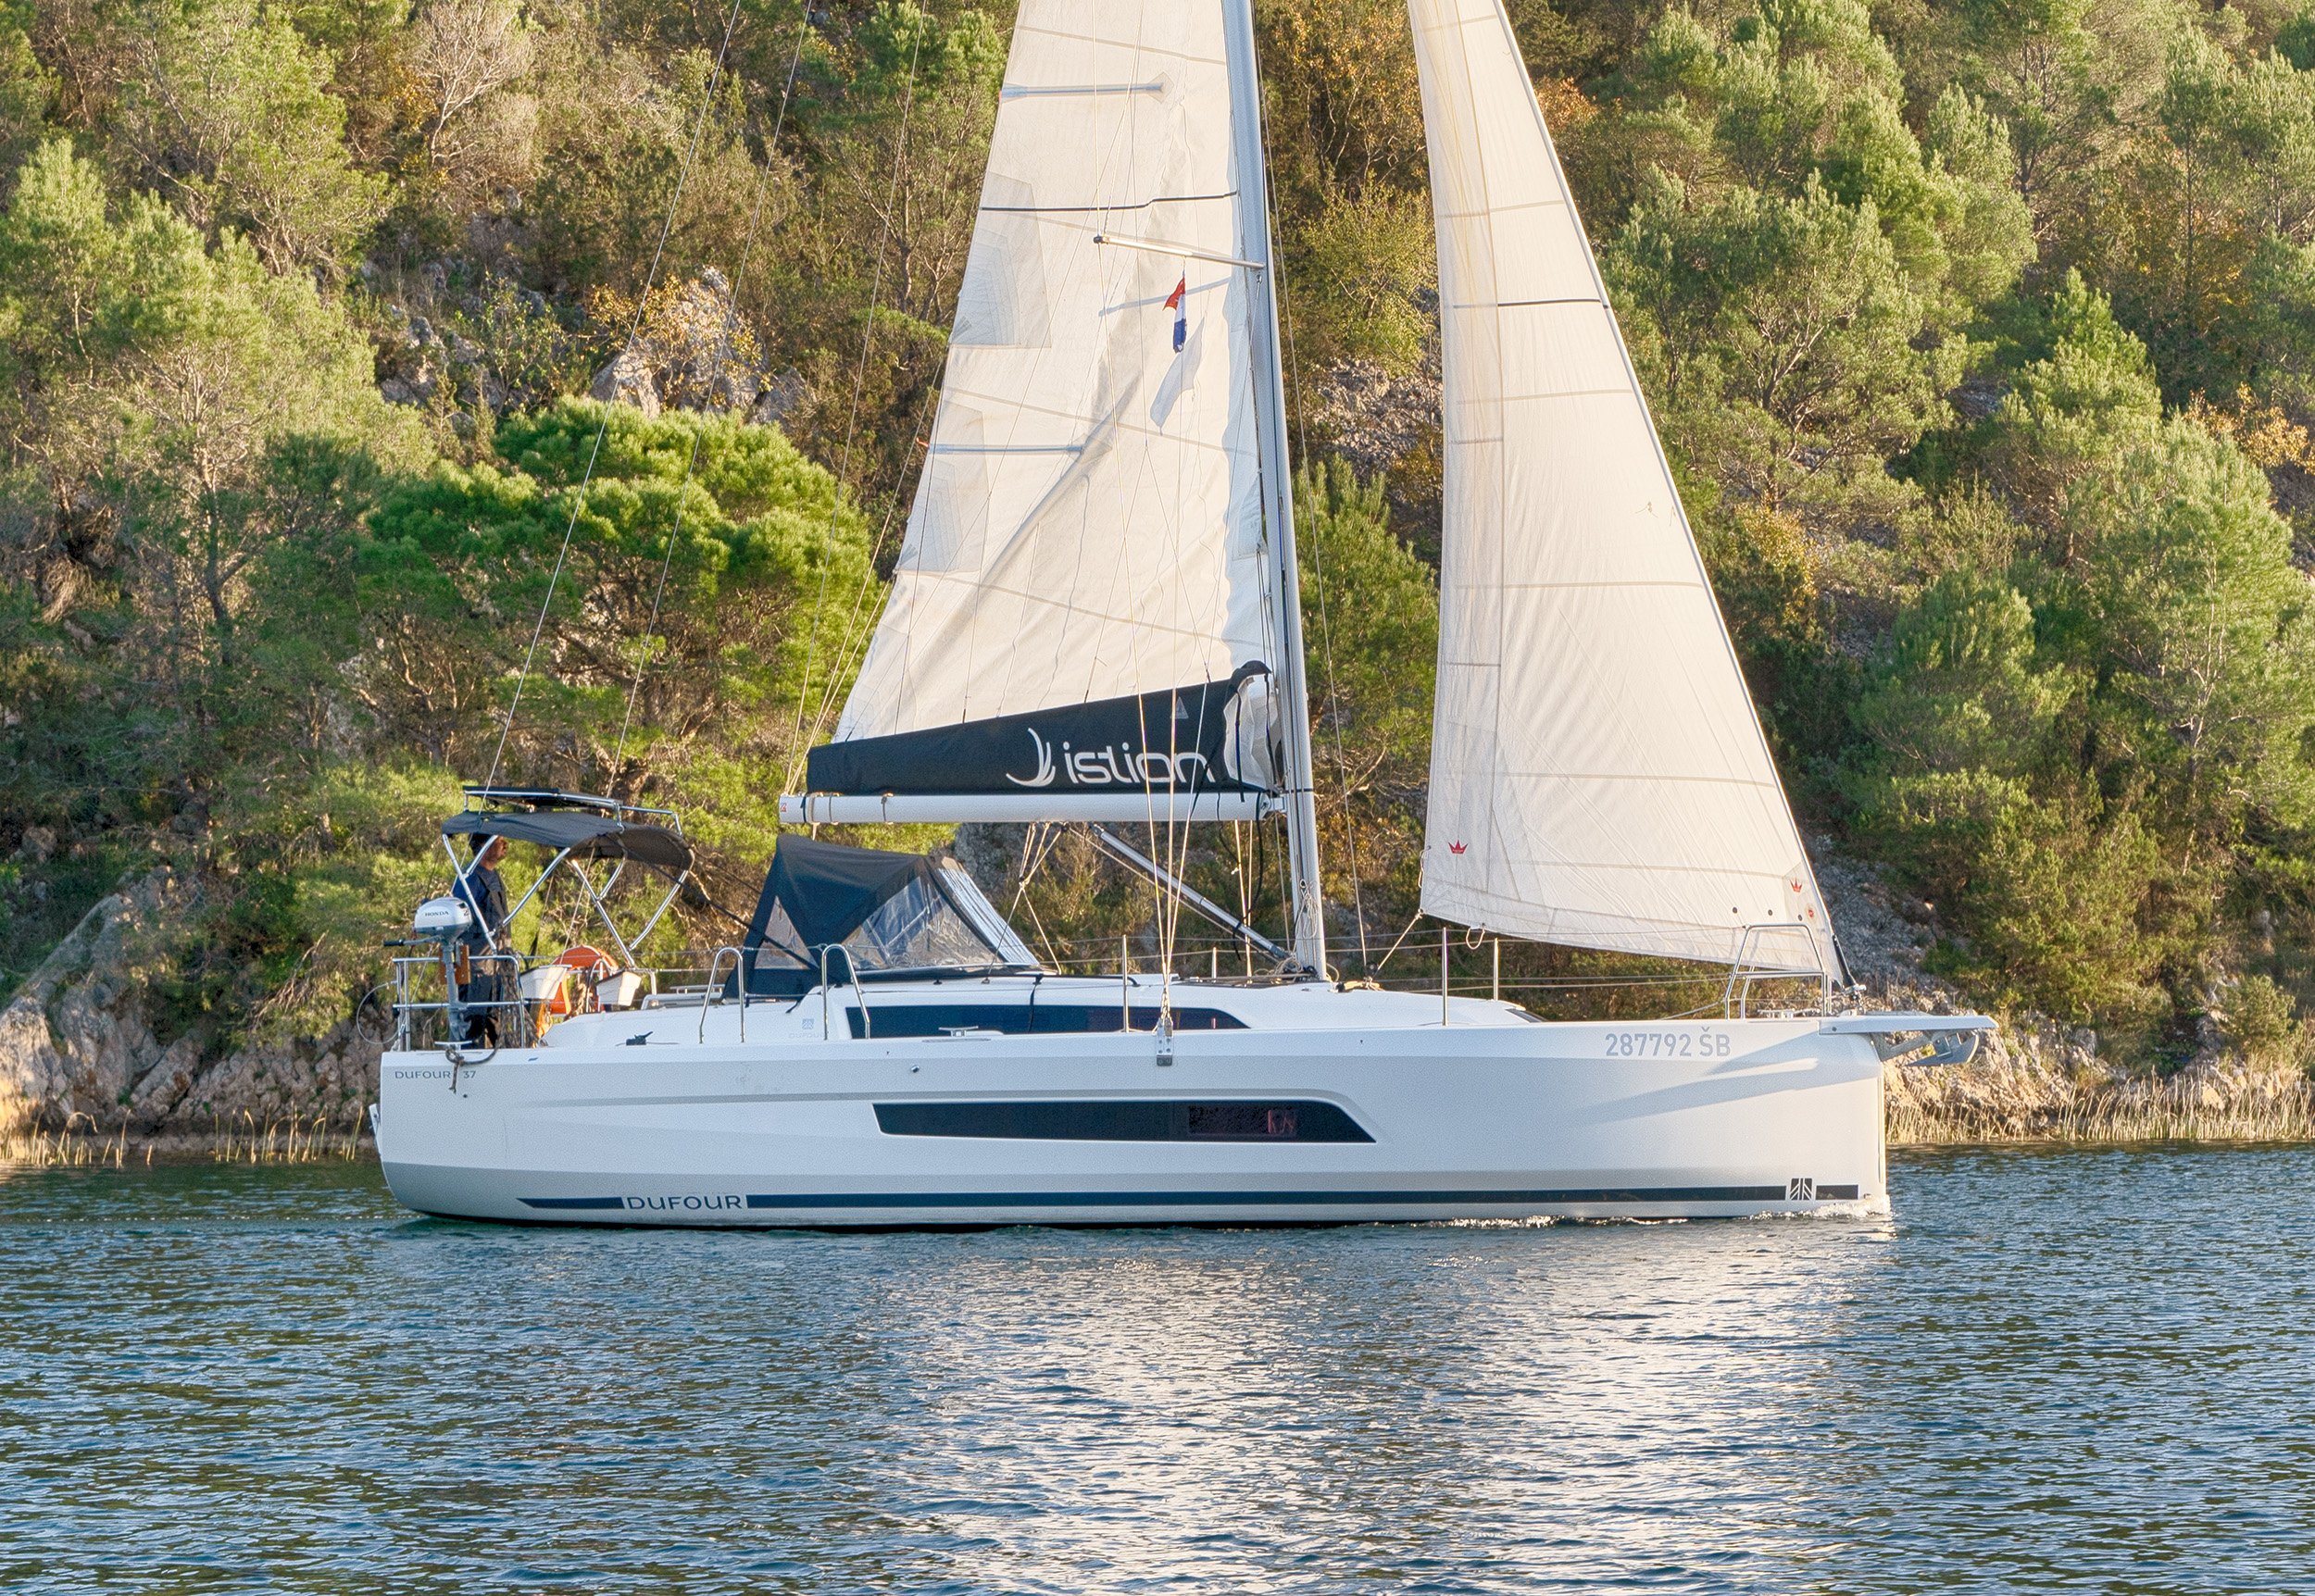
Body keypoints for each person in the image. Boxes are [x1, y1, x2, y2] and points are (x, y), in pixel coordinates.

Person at [451, 834, 512, 1045]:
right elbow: (458, 917)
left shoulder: (494, 876)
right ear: (482, 846)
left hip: (499, 960)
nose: (505, 844)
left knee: (496, 1016)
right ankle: (471, 1056)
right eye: (498, 840)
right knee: (475, 1019)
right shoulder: (470, 879)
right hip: (476, 962)